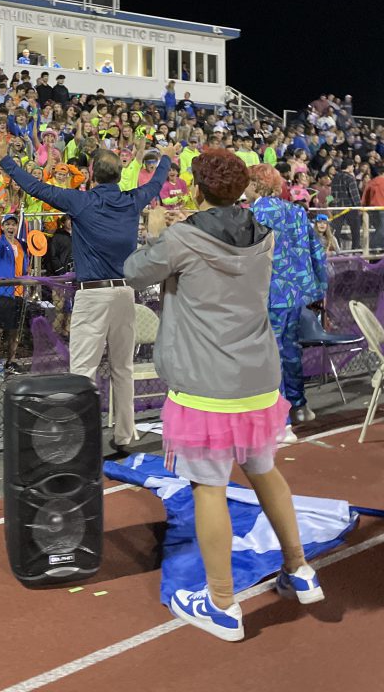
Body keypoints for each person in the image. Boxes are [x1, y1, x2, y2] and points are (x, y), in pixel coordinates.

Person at [123, 148, 324, 643]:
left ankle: (221, 604)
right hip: (257, 381)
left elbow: (133, 272)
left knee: (208, 489)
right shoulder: (265, 234)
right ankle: (300, 570)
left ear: (198, 189)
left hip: (205, 387)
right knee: (263, 470)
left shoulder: (182, 239)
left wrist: (154, 227)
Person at [0, 132, 170, 452]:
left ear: (92, 175)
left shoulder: (82, 201)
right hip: (124, 293)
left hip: (93, 294)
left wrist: (4, 159)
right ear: (119, 174)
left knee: (83, 370)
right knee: (123, 369)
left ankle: (81, 441)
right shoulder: (131, 199)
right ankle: (125, 436)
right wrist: (165, 157)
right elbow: (155, 184)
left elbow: (36, 187)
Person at [246, 164, 327, 435]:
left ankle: (281, 422)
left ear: (257, 185)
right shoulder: (295, 211)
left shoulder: (257, 212)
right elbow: (317, 249)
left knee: (273, 354)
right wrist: (317, 287)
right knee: (290, 350)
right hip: (295, 292)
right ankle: (299, 406)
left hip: (268, 293)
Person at [0, 211, 28, 381]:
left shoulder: (21, 245)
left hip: (18, 292)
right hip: (2, 292)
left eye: (13, 224)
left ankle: (11, 360)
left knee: (15, 330)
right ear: (2, 227)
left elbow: (24, 268)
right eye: (7, 224)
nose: (11, 227)